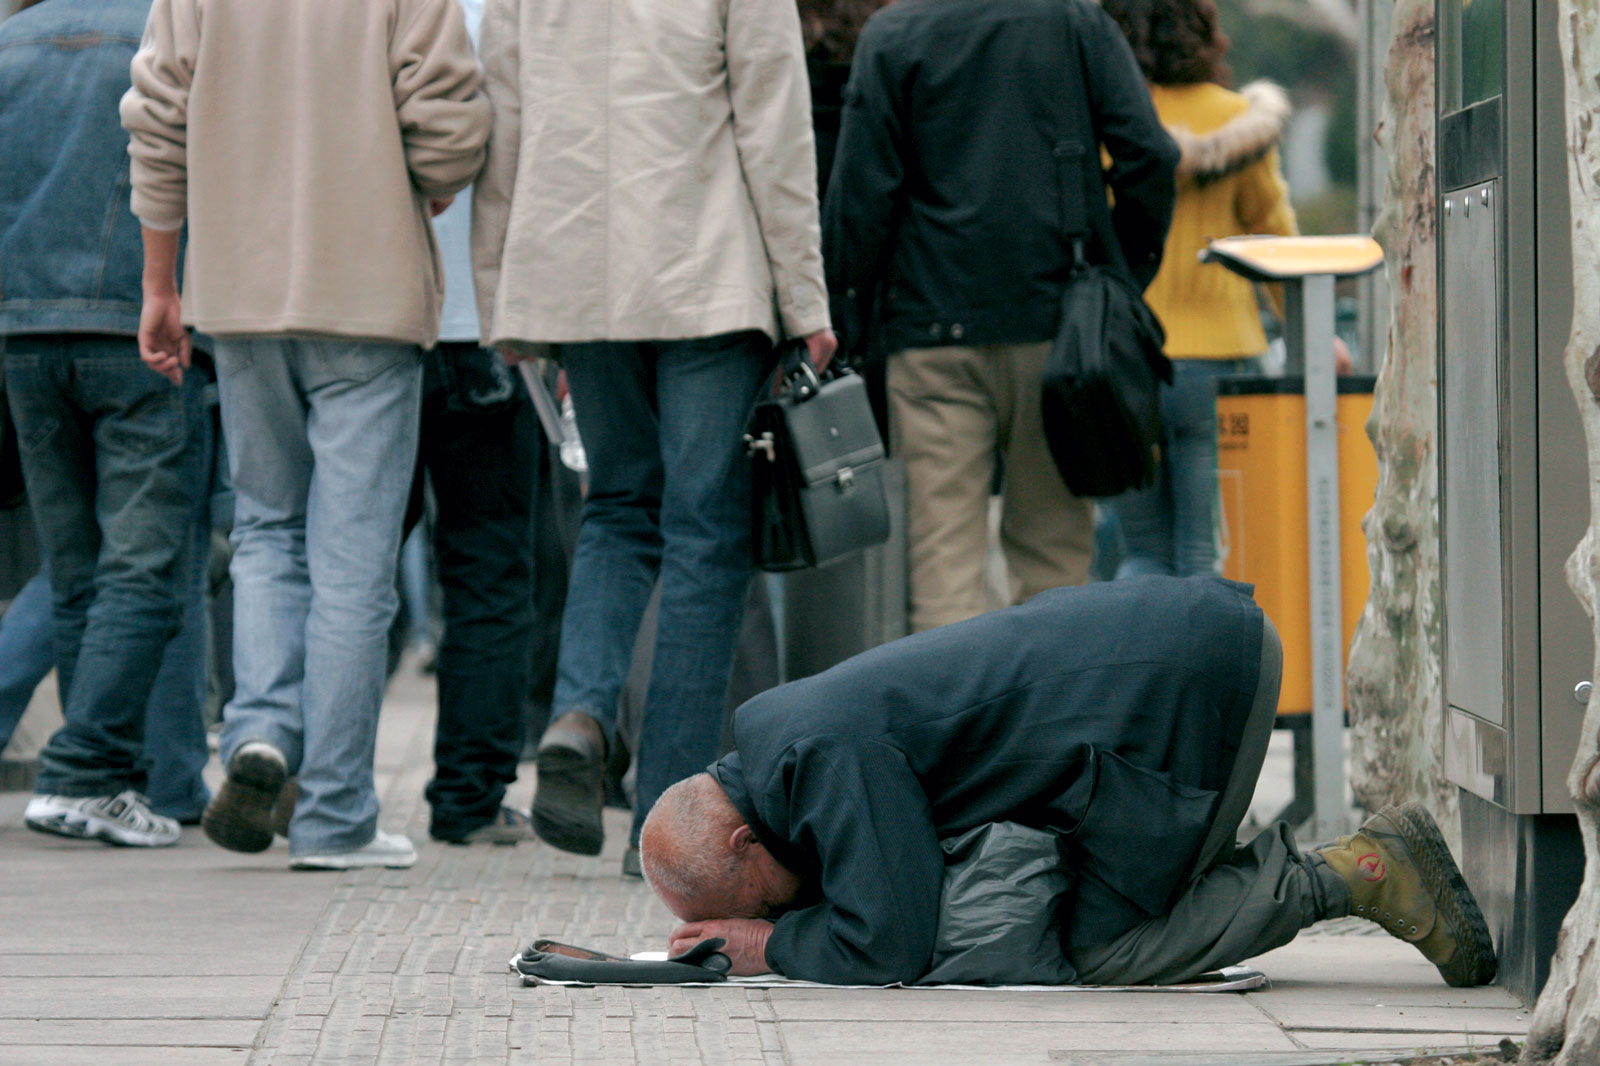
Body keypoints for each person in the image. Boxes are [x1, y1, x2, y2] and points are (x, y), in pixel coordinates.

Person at [640, 577, 1498, 989]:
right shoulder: (786, 739)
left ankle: (1353, 872)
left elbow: (891, 938)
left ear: (741, 838)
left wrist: (769, 947)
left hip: (1193, 684)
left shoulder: (820, 756)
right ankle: (1211, 870)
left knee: (1098, 950)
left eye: (749, 902)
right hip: (1186, 660)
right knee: (1100, 910)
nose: (760, 917)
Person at [122, 0, 491, 869]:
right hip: (367, 299)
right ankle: (333, 815)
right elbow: (449, 120)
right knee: (354, 564)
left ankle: (258, 735)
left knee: (265, 530)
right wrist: (429, 184)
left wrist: (159, 281)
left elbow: (156, 114)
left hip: (239, 296)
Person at [473, 0, 836, 873]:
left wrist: (502, 293)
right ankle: (662, 825)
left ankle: (580, 714)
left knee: (618, 509)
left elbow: (503, 132)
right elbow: (773, 127)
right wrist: (805, 296)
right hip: (702, 271)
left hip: (578, 273)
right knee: (706, 536)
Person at [823, 0, 1179, 634]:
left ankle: (960, 730)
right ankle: (1054, 728)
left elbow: (861, 197)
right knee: (1054, 565)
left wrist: (848, 320)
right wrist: (1118, 281)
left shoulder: (894, 33)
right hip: (1061, 337)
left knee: (942, 574)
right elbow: (1149, 153)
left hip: (930, 334)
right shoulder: (1074, 22)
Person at [0, 0, 213, 847]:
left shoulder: (11, 38)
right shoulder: (165, 31)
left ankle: (98, 777)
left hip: (23, 328)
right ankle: (85, 771)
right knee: (145, 565)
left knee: (79, 567)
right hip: (139, 322)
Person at [1100, 0, 1298, 579]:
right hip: (1220, 363)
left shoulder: (1110, 119)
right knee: (1203, 552)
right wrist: (1306, 332)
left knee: (1141, 552)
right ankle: (1203, 671)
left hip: (1126, 358)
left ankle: (1143, 669)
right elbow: (1275, 235)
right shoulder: (1239, 120)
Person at [415, 0, 540, 848]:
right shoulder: (514, 12)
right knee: (490, 573)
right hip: (491, 321)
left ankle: (314, 776)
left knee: (338, 567)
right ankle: (468, 797)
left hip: (384, 319)